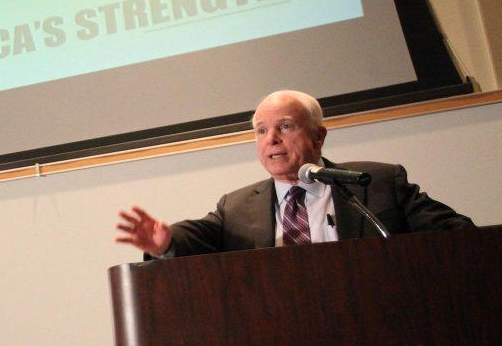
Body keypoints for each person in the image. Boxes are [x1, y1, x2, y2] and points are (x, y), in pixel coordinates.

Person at [115, 90, 474, 257]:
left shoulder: (379, 183)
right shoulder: (237, 206)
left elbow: (461, 239)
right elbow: (197, 238)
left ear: (318, 135)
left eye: (285, 126)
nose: (271, 139)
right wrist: (165, 242)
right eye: (261, 131)